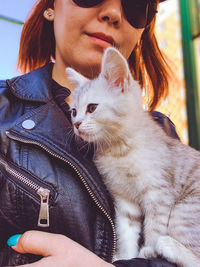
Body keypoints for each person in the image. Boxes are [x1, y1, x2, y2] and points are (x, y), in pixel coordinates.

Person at [0, 0, 179, 266]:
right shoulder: (4, 110)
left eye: (136, 5)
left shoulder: (162, 132)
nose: (113, 13)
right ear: (50, 7)